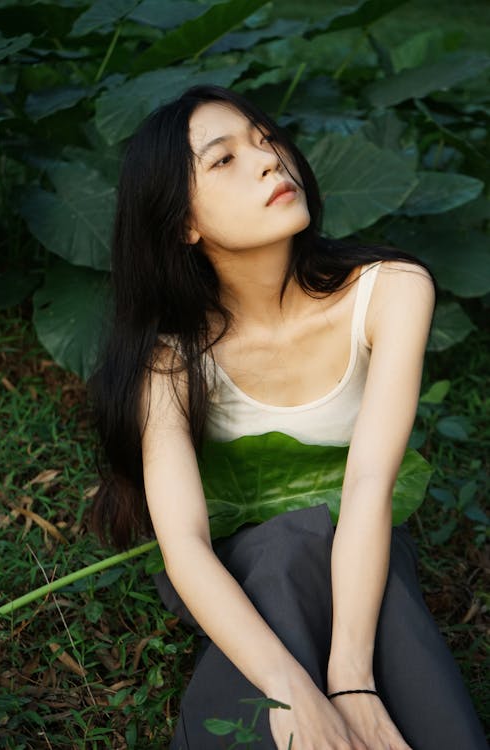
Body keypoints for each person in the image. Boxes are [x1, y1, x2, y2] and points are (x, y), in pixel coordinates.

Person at [90, 85, 487, 749]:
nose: (271, 161)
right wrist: (294, 688)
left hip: (357, 539)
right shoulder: (170, 360)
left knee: (330, 551)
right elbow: (183, 542)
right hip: (227, 569)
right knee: (285, 545)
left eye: (265, 138)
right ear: (182, 222)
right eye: (224, 160)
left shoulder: (390, 291)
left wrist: (351, 680)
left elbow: (367, 488)